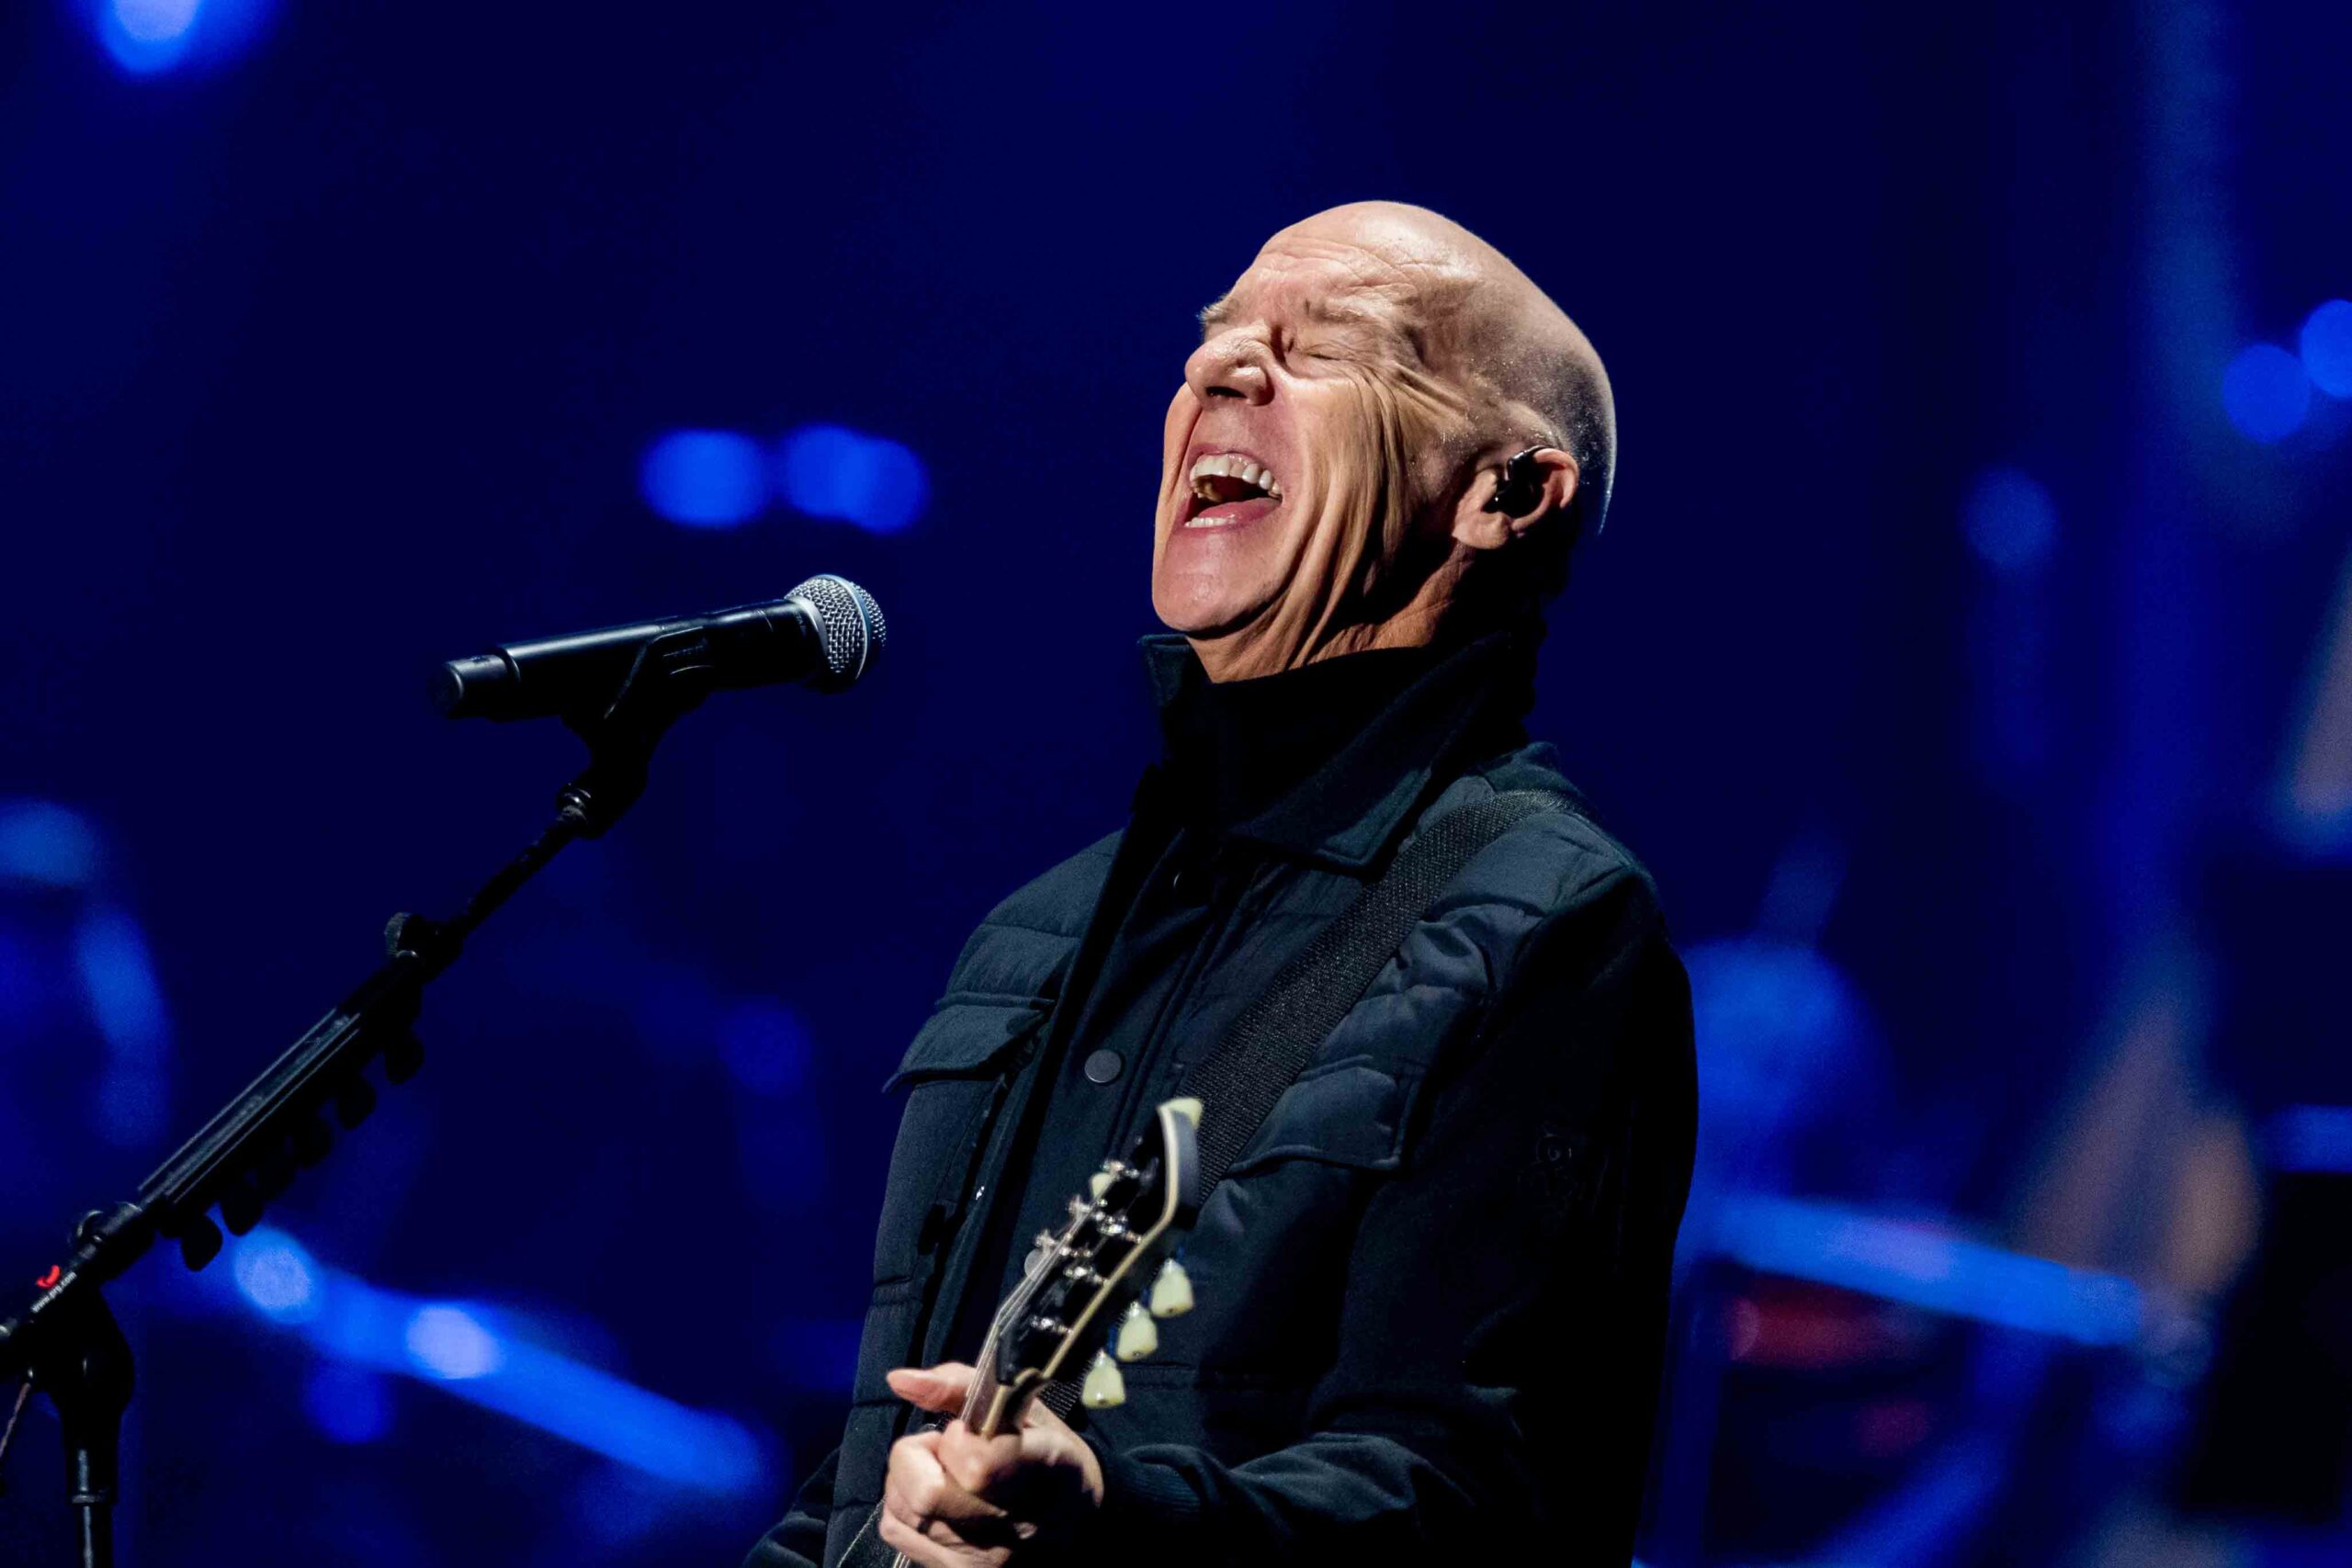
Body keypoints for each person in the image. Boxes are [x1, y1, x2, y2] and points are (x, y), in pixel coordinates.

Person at [745, 201, 1696, 1568]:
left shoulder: (1549, 925)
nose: (1218, 368)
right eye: (1216, 338)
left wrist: (1111, 1525)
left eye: (1331, 345)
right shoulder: (1039, 933)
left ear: (1505, 493)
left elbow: (1486, 1505)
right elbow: (874, 1470)